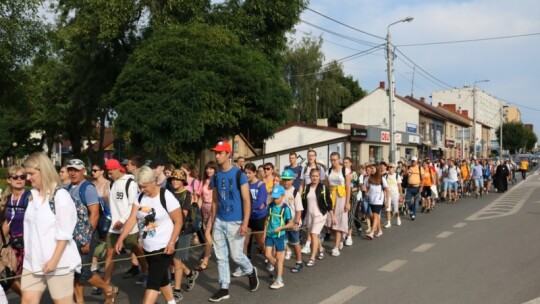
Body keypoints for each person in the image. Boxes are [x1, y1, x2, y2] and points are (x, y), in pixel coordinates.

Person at [21, 153, 83, 304]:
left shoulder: (60, 196)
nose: (28, 178)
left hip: (58, 261)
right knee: (27, 301)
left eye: (31, 173)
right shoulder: (32, 196)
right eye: (27, 173)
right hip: (32, 262)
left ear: (44, 170)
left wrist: (54, 261)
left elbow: (65, 233)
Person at [115, 166, 182, 304]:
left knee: (152, 283)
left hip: (164, 246)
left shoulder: (166, 196)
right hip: (148, 246)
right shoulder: (139, 197)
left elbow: (179, 221)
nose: (142, 190)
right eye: (140, 186)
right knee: (161, 278)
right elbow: (132, 218)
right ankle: (171, 302)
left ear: (154, 181)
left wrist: (171, 242)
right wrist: (121, 238)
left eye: (145, 186)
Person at [208, 141, 259, 302]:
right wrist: (211, 222)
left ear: (228, 154)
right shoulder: (216, 176)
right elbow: (215, 201)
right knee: (221, 257)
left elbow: (246, 201)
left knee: (236, 256)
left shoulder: (239, 175)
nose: (216, 156)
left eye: (220, 153)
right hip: (219, 221)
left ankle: (250, 271)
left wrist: (245, 223)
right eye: (215, 153)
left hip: (236, 222)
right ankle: (224, 288)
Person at [66, 159, 118, 303]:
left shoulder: (87, 188)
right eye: (70, 169)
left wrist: (86, 239)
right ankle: (80, 301)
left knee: (84, 273)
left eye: (76, 170)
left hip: (86, 236)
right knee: (75, 272)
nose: (72, 172)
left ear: (83, 171)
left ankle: (108, 289)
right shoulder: (68, 187)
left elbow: (94, 215)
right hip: (72, 236)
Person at [103, 159, 148, 290]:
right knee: (109, 254)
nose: (109, 175)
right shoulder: (113, 183)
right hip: (114, 227)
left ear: (118, 169)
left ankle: (146, 271)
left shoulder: (130, 182)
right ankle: (106, 284)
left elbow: (132, 205)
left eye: (111, 172)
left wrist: (122, 220)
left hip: (129, 226)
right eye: (108, 172)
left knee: (137, 250)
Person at [1, 165, 32, 296]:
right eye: (15, 177)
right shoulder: (8, 198)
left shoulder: (29, 197)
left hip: (29, 243)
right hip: (14, 243)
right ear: (9, 180)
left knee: (27, 280)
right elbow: (8, 221)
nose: (19, 179)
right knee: (8, 277)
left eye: (22, 177)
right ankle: (27, 298)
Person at [169, 169, 199, 302]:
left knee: (176, 260)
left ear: (183, 181)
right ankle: (190, 273)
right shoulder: (169, 193)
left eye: (178, 179)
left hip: (183, 230)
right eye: (173, 179)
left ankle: (177, 290)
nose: (175, 181)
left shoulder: (187, 194)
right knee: (170, 257)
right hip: (169, 230)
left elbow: (184, 214)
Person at [301, 168, 333, 267]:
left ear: (320, 177)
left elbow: (329, 203)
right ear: (310, 177)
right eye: (313, 176)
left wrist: (332, 216)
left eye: (316, 176)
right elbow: (303, 202)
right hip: (309, 215)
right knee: (312, 234)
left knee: (314, 234)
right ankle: (321, 248)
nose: (314, 178)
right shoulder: (306, 188)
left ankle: (312, 258)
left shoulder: (323, 188)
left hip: (320, 215)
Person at [263, 185, 293, 289]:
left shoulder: (286, 209)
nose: (275, 199)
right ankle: (276, 266)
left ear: (282, 196)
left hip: (280, 236)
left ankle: (279, 279)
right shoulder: (270, 206)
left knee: (280, 257)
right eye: (273, 197)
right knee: (267, 254)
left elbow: (290, 224)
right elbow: (267, 219)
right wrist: (264, 233)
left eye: (277, 197)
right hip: (269, 235)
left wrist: (281, 228)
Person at [240, 163, 267, 264]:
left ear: (254, 173)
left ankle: (269, 258)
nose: (247, 175)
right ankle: (244, 262)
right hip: (248, 217)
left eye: (249, 173)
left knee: (261, 243)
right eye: (245, 173)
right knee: (244, 241)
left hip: (259, 217)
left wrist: (248, 206)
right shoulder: (244, 185)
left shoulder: (261, 185)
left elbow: (260, 202)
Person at [325, 152, 351, 257]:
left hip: (341, 197)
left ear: (339, 159)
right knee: (329, 221)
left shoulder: (345, 170)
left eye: (335, 160)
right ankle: (340, 238)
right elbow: (327, 185)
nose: (333, 162)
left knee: (339, 221)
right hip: (332, 197)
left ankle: (336, 247)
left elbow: (348, 187)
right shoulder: (329, 171)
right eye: (331, 160)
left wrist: (347, 202)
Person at [280, 169, 304, 273]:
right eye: (284, 180)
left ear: (292, 180)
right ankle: (278, 264)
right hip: (283, 223)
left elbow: (299, 210)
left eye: (288, 180)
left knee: (295, 243)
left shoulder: (295, 193)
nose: (286, 182)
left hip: (293, 223)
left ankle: (299, 262)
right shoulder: (280, 191)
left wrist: (296, 223)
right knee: (281, 243)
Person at [196, 161, 217, 272]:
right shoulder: (203, 181)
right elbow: (200, 197)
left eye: (211, 168)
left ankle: (205, 261)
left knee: (207, 233)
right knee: (206, 233)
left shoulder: (217, 181)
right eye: (207, 168)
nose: (209, 171)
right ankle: (207, 251)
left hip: (214, 208)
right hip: (204, 208)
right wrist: (196, 210)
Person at [364, 165, 389, 239]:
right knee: (376, 216)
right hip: (371, 199)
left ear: (377, 169)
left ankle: (372, 232)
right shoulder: (369, 178)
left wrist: (387, 201)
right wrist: (365, 189)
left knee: (375, 215)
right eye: (371, 169)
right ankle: (380, 230)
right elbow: (367, 189)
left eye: (373, 168)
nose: (371, 170)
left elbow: (387, 190)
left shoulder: (382, 178)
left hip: (378, 200)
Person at [343, 157, 359, 245]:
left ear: (350, 163)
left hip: (352, 196)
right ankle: (343, 234)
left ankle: (349, 236)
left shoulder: (354, 174)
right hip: (342, 196)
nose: (345, 164)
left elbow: (358, 187)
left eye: (347, 162)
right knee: (343, 216)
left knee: (350, 215)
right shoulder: (341, 173)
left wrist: (349, 189)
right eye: (344, 162)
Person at [384, 163, 402, 227]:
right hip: (387, 194)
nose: (389, 168)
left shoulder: (397, 175)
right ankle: (388, 222)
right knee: (387, 208)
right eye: (388, 167)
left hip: (395, 193)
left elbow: (399, 186)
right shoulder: (385, 176)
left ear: (394, 168)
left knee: (395, 208)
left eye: (391, 167)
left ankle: (398, 218)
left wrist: (401, 195)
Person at [405, 157, 424, 221]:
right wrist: (406, 166)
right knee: (408, 201)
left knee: (416, 203)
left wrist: (421, 187)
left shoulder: (420, 168)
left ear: (416, 161)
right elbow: (405, 174)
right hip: (410, 187)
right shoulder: (409, 167)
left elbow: (423, 179)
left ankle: (413, 215)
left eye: (414, 161)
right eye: (412, 161)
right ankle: (412, 211)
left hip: (417, 187)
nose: (413, 162)